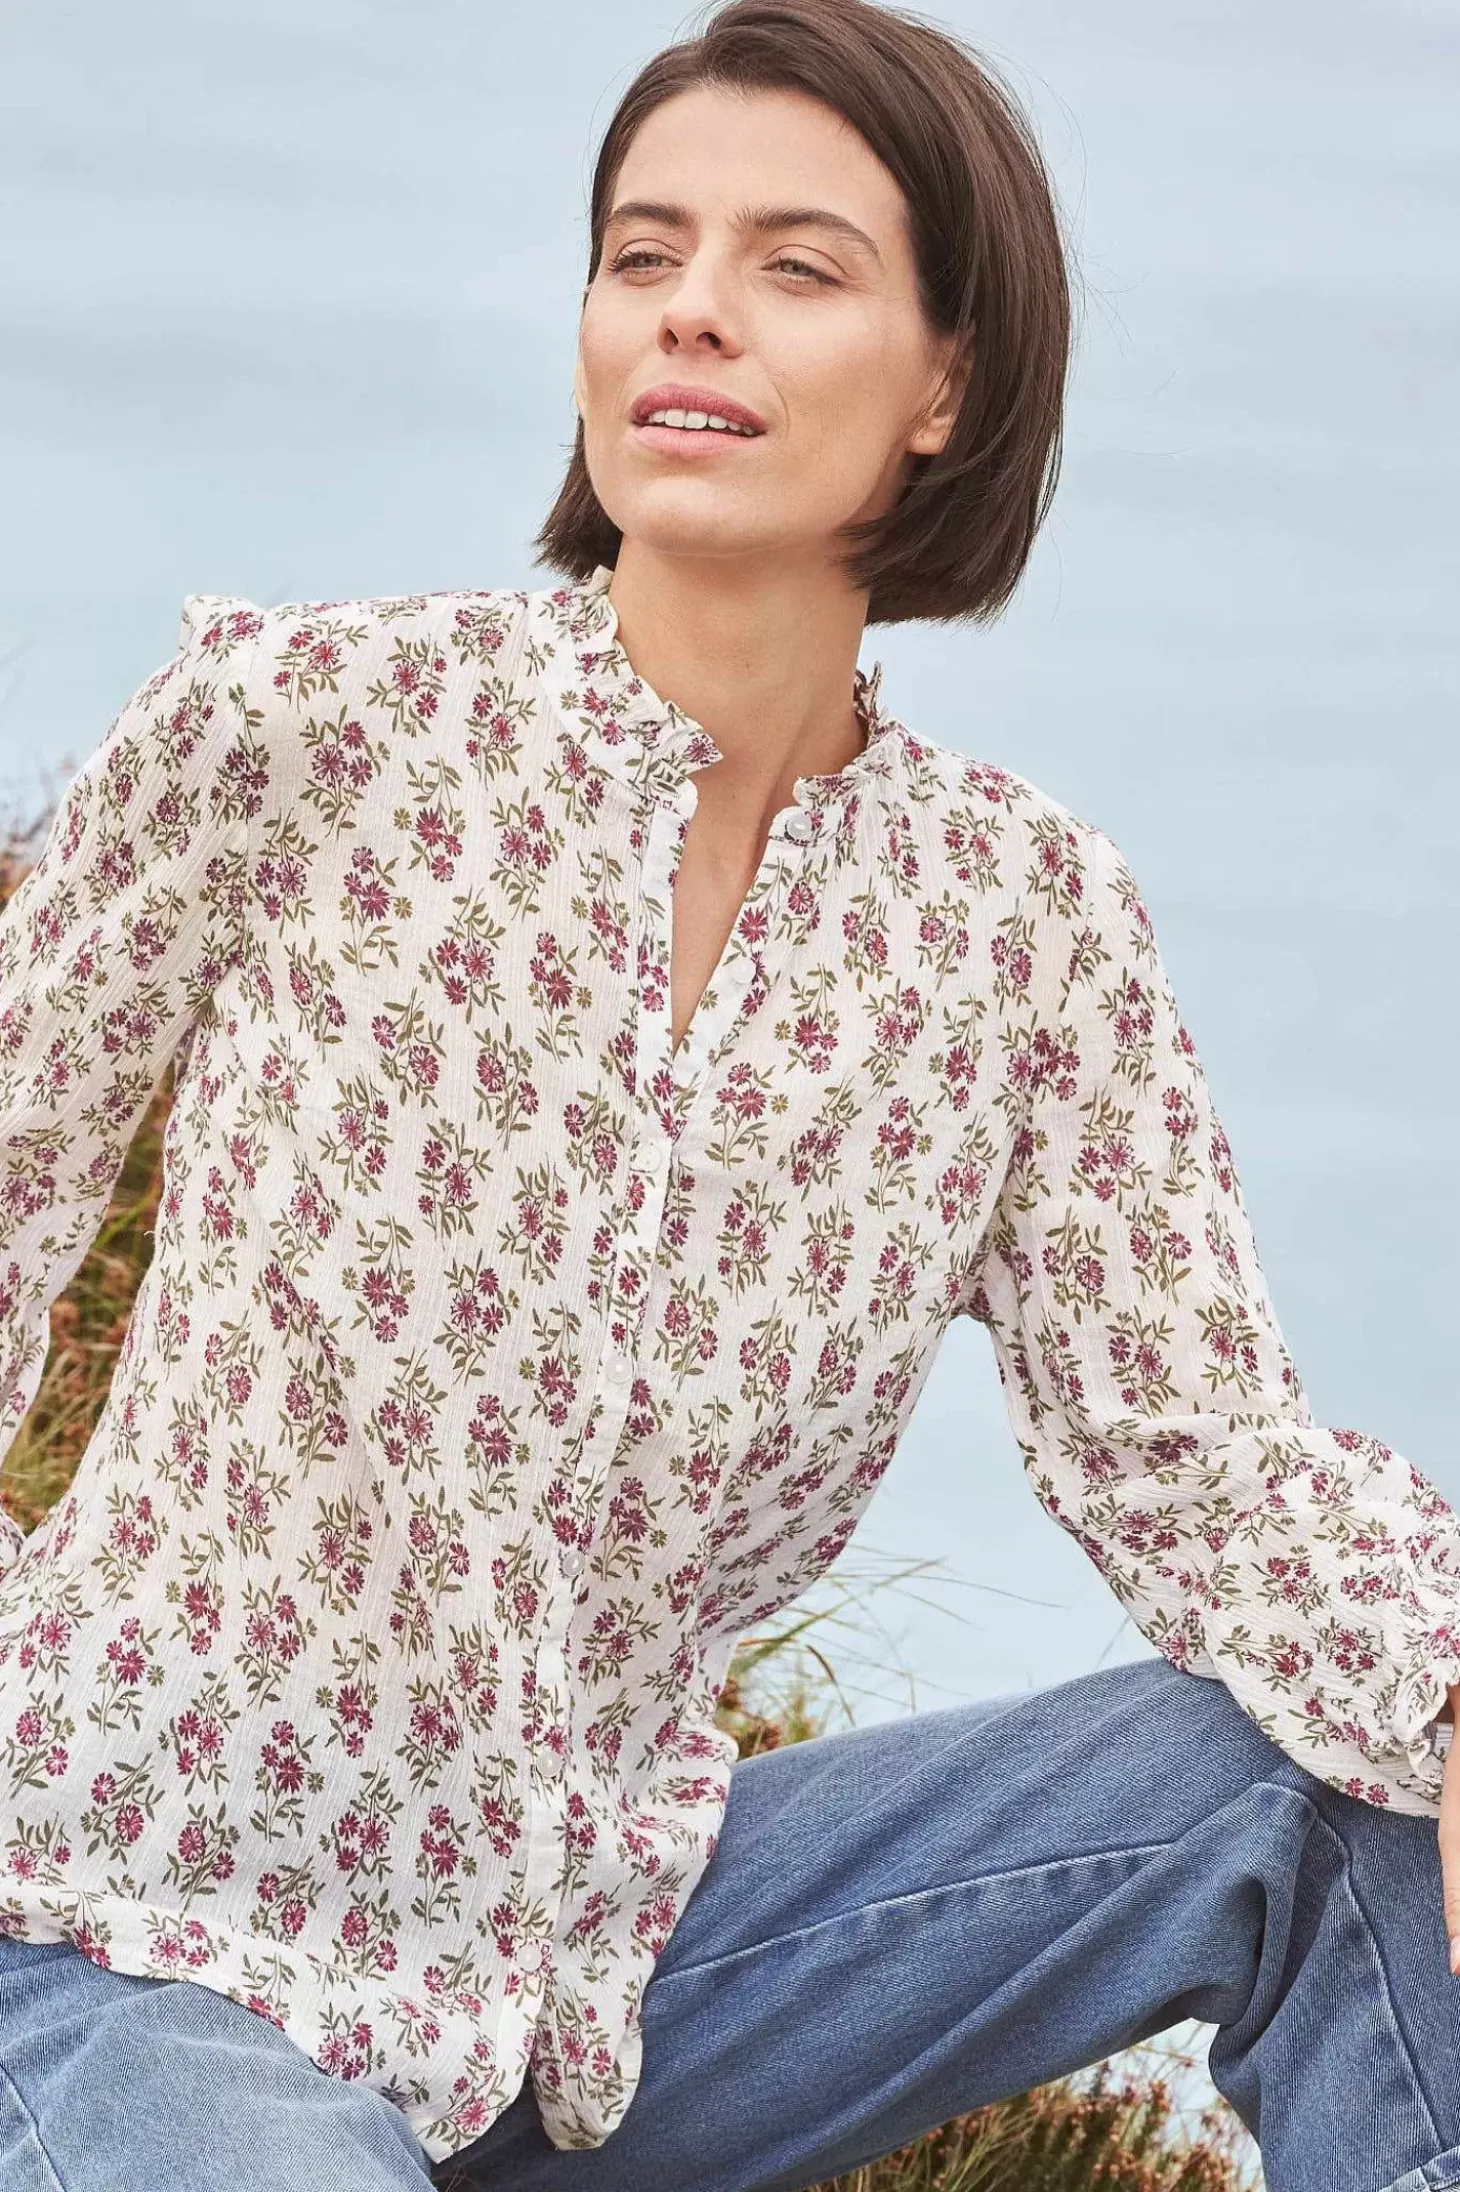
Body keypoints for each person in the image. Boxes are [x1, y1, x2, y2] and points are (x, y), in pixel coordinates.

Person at [0, 1, 1458, 2187]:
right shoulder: (314, 725)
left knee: (1348, 1777)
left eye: (797, 265)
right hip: (143, 1938)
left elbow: (1203, 1472)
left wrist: (1449, 1689)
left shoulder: (1021, 928)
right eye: (643, 252)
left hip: (605, 1977)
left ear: (947, 383)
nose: (692, 309)